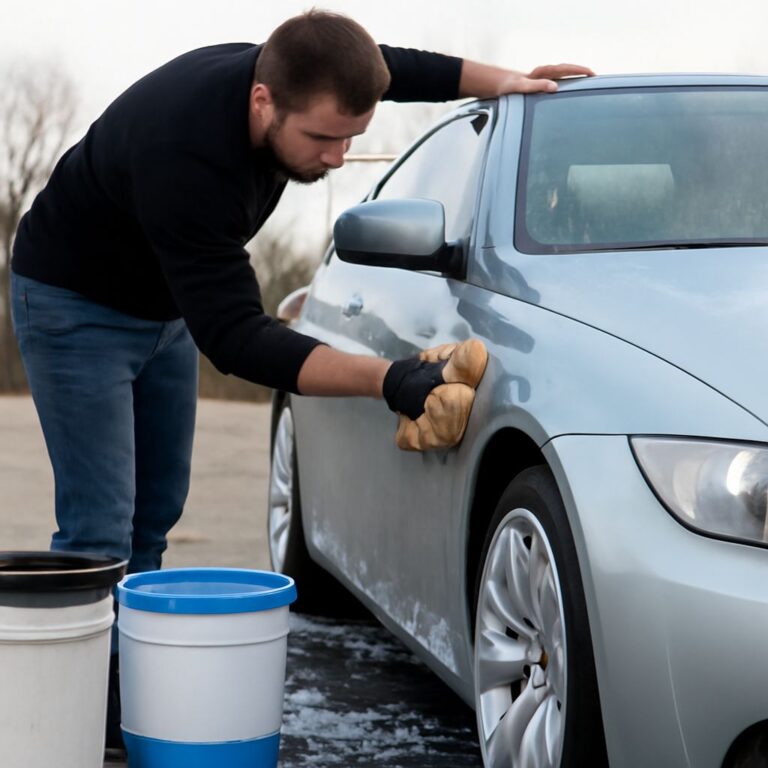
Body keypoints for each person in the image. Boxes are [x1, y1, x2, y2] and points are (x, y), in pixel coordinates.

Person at [9, 9, 592, 753]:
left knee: (155, 509)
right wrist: (389, 379)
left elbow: (388, 65)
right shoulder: (187, 156)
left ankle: (126, 686)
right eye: (322, 139)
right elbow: (241, 341)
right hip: (74, 305)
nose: (336, 155)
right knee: (100, 526)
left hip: (162, 307)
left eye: (350, 137)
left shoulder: (302, 70)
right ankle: (75, 717)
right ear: (263, 102)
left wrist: (507, 81)